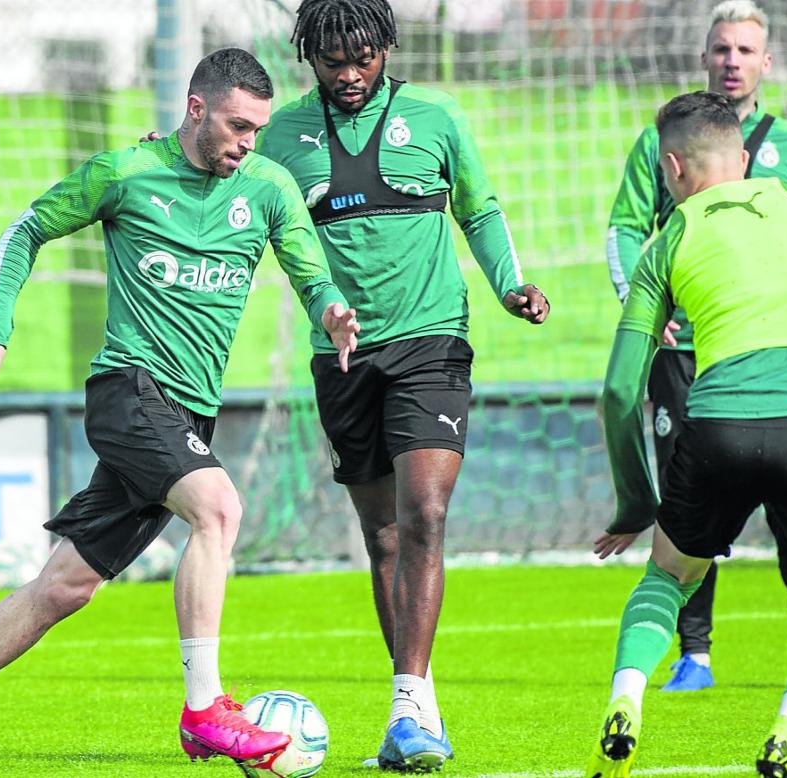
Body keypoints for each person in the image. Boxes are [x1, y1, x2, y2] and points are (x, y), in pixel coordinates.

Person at [0, 48, 360, 778]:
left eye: (256, 129)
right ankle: (203, 711)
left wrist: (333, 314)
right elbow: (23, 231)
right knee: (219, 510)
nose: (247, 142)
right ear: (196, 109)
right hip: (128, 393)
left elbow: (308, 271)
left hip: (190, 415)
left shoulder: (268, 189)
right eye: (236, 125)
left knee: (64, 587)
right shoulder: (124, 175)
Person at [261, 0, 548, 770]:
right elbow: (225, 178)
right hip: (344, 359)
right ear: (308, 57)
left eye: (363, 58)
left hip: (431, 341)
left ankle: (408, 708)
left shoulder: (436, 115)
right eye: (332, 62)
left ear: (386, 46)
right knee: (382, 533)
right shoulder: (284, 136)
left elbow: (479, 210)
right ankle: (416, 700)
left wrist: (509, 286)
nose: (350, 76)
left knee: (425, 512)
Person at [589, 90, 787, 778]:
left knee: (669, 571)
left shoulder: (668, 240)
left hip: (718, 430)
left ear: (672, 169)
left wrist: (636, 503)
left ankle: (627, 700)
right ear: (743, 158)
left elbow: (619, 391)